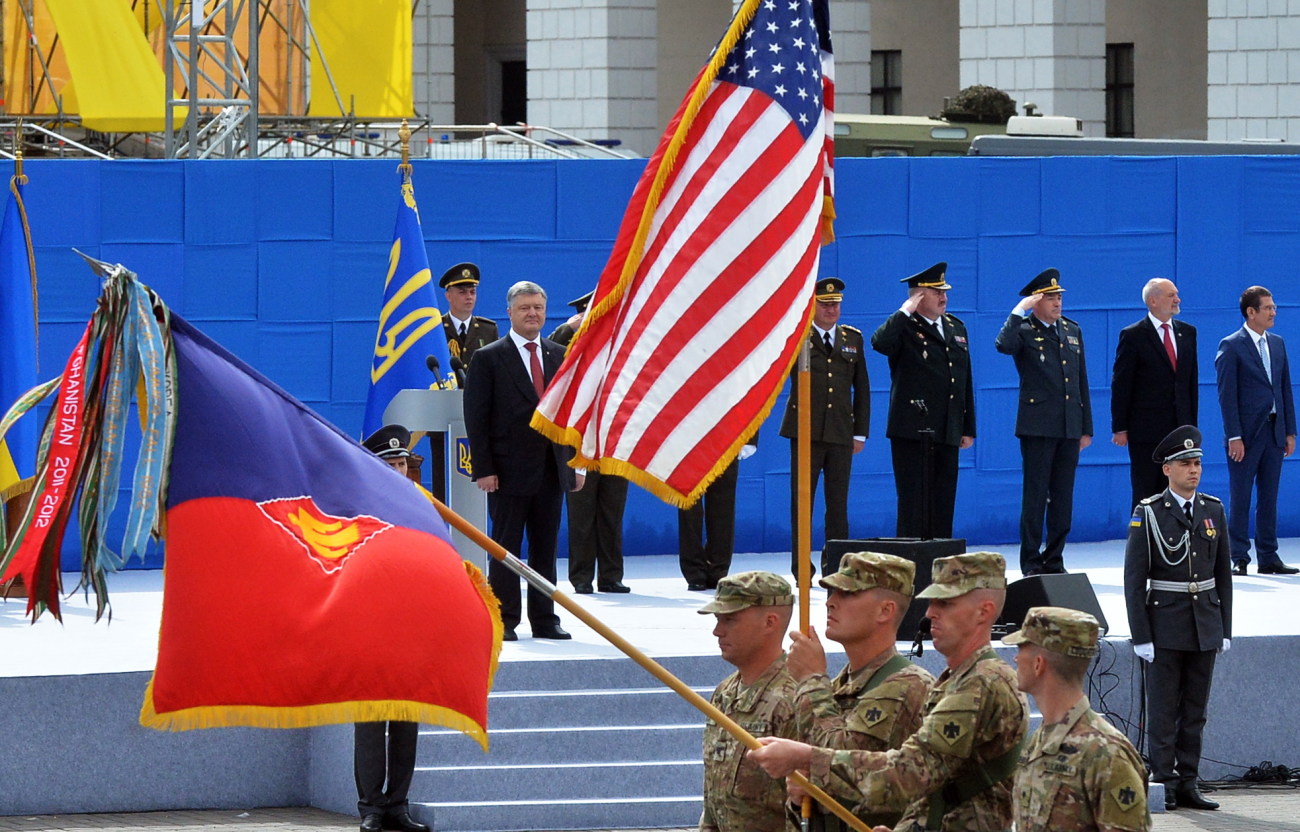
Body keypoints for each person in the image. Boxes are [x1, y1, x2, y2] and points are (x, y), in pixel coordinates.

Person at [750, 552, 1029, 832]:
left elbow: (906, 774)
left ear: (984, 611)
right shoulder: (959, 680)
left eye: (945, 603)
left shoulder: (983, 682)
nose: (930, 613)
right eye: (931, 602)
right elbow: (930, 791)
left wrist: (805, 754)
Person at [463, 281, 583, 641]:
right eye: (525, 308)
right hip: (506, 472)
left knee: (546, 548)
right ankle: (506, 619)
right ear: (510, 312)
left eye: (538, 308)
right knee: (506, 549)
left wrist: (574, 463)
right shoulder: (488, 358)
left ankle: (546, 619)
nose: (533, 314)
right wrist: (484, 468)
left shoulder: (559, 355)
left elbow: (570, 414)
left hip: (551, 469)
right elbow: (477, 418)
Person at [785, 551, 935, 831]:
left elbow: (839, 762)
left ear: (885, 610)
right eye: (832, 594)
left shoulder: (906, 687)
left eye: (847, 594)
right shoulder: (839, 687)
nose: (831, 603)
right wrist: (798, 799)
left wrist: (810, 678)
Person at [1124, 425, 1232, 811]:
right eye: (1186, 464)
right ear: (1167, 469)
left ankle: (1188, 781)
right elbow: (1134, 579)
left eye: (1198, 463)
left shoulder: (1213, 510)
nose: (1194, 470)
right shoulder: (1149, 513)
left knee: (1195, 711)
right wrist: (1141, 635)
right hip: (1165, 624)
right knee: (1164, 709)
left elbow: (1223, 576)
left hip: (1204, 623)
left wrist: (1226, 629)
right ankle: (1164, 782)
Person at [1004, 606, 1151, 832]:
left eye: (1021, 648)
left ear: (1038, 664)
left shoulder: (1106, 755)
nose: (1015, 657)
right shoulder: (1039, 741)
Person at [353, 425, 430, 832]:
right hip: (370, 625)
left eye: (403, 463)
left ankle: (398, 805)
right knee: (371, 721)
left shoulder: (421, 507)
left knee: (405, 721)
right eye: (391, 464)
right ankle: (371, 807)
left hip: (410, 627)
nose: (399, 471)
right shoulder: (357, 511)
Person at [994, 268, 1093, 576]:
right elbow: (1003, 345)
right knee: (1036, 496)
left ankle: (1055, 557)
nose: (1057, 302)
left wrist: (1085, 427)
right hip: (1038, 426)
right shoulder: (1023, 330)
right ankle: (1031, 560)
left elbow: (1081, 381)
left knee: (1063, 498)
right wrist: (1018, 310)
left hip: (1069, 426)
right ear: (1035, 301)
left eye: (1059, 297)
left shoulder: (1072, 330)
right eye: (1050, 297)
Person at [871, 262, 975, 539]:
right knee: (913, 502)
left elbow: (964, 380)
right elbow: (880, 343)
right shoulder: (904, 326)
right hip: (912, 429)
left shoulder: (956, 327)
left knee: (943, 501)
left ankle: (940, 562)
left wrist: (967, 427)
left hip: (946, 428)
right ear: (917, 297)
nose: (943, 297)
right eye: (935, 292)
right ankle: (912, 565)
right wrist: (906, 310)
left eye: (944, 291)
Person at [697, 571, 800, 832]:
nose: (716, 631)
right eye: (718, 620)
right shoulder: (726, 691)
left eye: (729, 620)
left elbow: (803, 807)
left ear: (770, 622)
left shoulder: (794, 699)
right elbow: (714, 795)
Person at [780, 277, 870, 575]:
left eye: (836, 304)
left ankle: (836, 566)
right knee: (802, 503)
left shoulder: (852, 339)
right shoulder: (798, 337)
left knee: (838, 504)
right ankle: (800, 568)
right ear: (813, 306)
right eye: (825, 304)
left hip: (841, 432)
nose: (832, 310)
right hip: (805, 431)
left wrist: (860, 432)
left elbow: (862, 389)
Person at [550, 290, 631, 594]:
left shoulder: (621, 347)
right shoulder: (571, 346)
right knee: (582, 512)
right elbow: (551, 353)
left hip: (613, 438)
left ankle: (611, 576)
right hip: (579, 438)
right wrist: (568, 328)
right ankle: (582, 576)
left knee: (612, 509)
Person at [1215, 285, 1298, 575]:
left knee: (1269, 497)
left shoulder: (1277, 343)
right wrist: (1234, 436)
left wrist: (1290, 431)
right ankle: (1238, 555)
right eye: (1268, 308)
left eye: (1274, 307)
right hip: (1246, 437)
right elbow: (1227, 396)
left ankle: (1268, 556)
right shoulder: (1231, 345)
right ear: (1251, 312)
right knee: (1241, 496)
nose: (1274, 312)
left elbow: (1284, 388)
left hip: (1275, 432)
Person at [1111, 277, 1198, 511]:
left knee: (1179, 491)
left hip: (1179, 429)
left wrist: (1191, 427)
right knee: (1146, 490)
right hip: (1146, 430)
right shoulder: (1133, 335)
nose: (1177, 300)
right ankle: (1143, 544)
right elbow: (1122, 384)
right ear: (1153, 301)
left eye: (1177, 294)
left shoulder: (1188, 333)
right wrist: (1120, 427)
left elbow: (1190, 384)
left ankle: (1175, 544)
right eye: (1171, 295)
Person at [678, 441, 756, 591]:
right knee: (689, 506)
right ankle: (694, 572)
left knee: (723, 506)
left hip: (726, 436)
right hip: (688, 438)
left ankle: (718, 570)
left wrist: (749, 439)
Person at [439, 262, 499, 371]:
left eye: (472, 292)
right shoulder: (438, 328)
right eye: (462, 292)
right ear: (448, 296)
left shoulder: (488, 330)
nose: (469, 297)